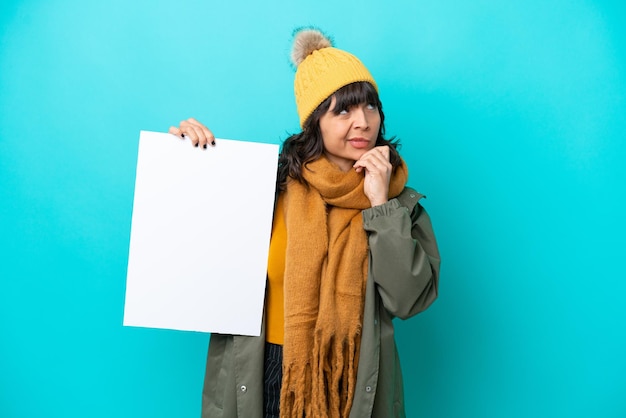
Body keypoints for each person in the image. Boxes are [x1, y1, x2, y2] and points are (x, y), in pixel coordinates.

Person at [169, 28, 440, 418]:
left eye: (370, 107)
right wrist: (188, 160)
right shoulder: (266, 190)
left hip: (348, 380)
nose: (362, 122)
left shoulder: (400, 204)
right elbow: (194, 268)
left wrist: (380, 204)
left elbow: (409, 299)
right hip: (262, 374)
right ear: (315, 121)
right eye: (343, 110)